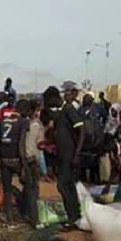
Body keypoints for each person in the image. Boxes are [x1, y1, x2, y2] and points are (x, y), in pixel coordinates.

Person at [0, 99, 31, 227]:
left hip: (4, 160)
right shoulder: (23, 122)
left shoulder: (1, 122)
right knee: (30, 187)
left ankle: (9, 220)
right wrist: (24, 166)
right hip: (17, 159)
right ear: (25, 111)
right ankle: (29, 215)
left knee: (7, 190)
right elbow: (21, 144)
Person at [44, 86, 85, 230]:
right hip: (62, 156)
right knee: (68, 186)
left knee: (62, 185)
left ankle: (72, 218)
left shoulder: (68, 109)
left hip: (70, 156)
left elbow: (81, 131)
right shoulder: (60, 113)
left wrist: (77, 154)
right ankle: (76, 216)